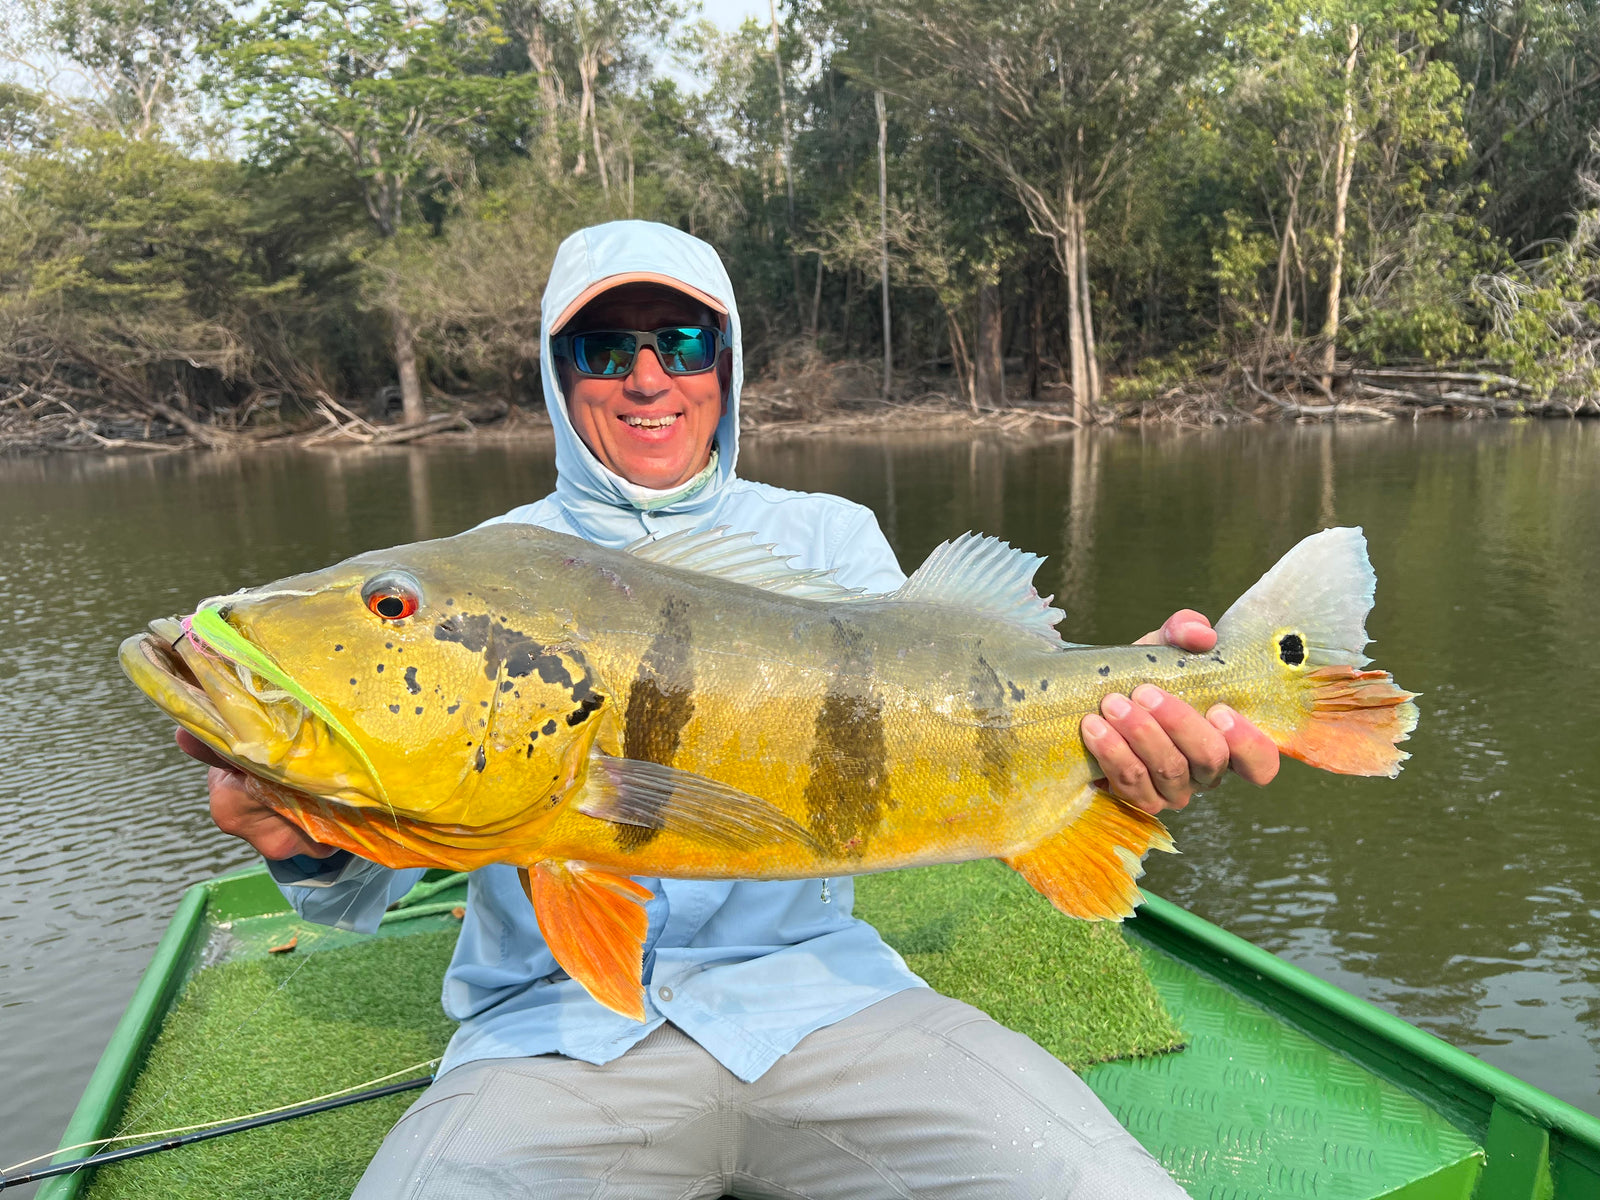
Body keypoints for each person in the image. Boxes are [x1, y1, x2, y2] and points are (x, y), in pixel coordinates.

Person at [177, 220, 1279, 1198]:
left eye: (685, 343)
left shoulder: (830, 538)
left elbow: (959, 695)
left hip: (829, 1007)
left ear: (728, 366)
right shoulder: (479, 572)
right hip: (551, 1041)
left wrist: (1128, 693)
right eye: (608, 349)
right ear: (561, 377)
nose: (650, 378)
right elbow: (358, 877)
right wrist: (297, 835)